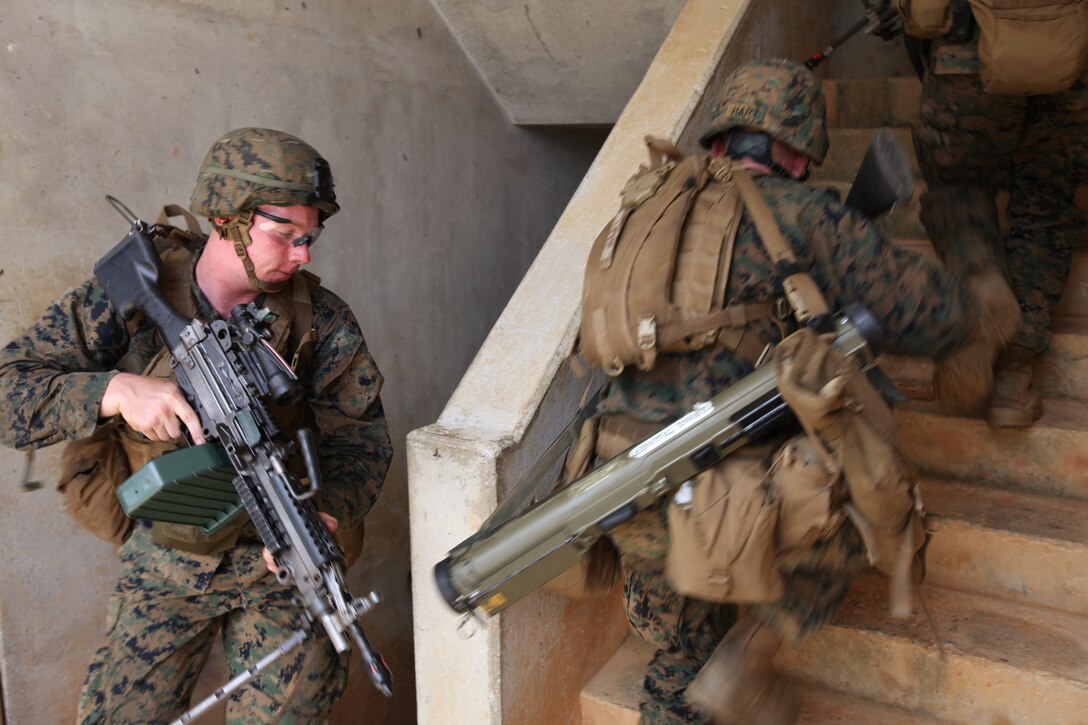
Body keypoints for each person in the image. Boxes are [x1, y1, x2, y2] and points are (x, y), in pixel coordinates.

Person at [578, 59, 980, 724]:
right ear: (797, 149)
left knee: (680, 659)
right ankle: (752, 650)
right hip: (738, 505)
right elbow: (936, 314)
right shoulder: (806, 214)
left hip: (626, 489)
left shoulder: (645, 210)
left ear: (717, 141)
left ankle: (686, 684)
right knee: (872, 500)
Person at [0, 128, 393, 723]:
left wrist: (330, 508)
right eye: (284, 235)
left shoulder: (320, 321)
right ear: (224, 218)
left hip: (279, 564)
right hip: (165, 557)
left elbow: (361, 440)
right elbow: (9, 391)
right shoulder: (128, 300)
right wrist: (113, 390)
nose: (303, 254)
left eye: (310, 237)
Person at [910, 12, 1088, 428]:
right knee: (1047, 198)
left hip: (967, 46)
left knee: (958, 183)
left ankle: (979, 279)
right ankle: (1013, 374)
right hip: (1074, 54)